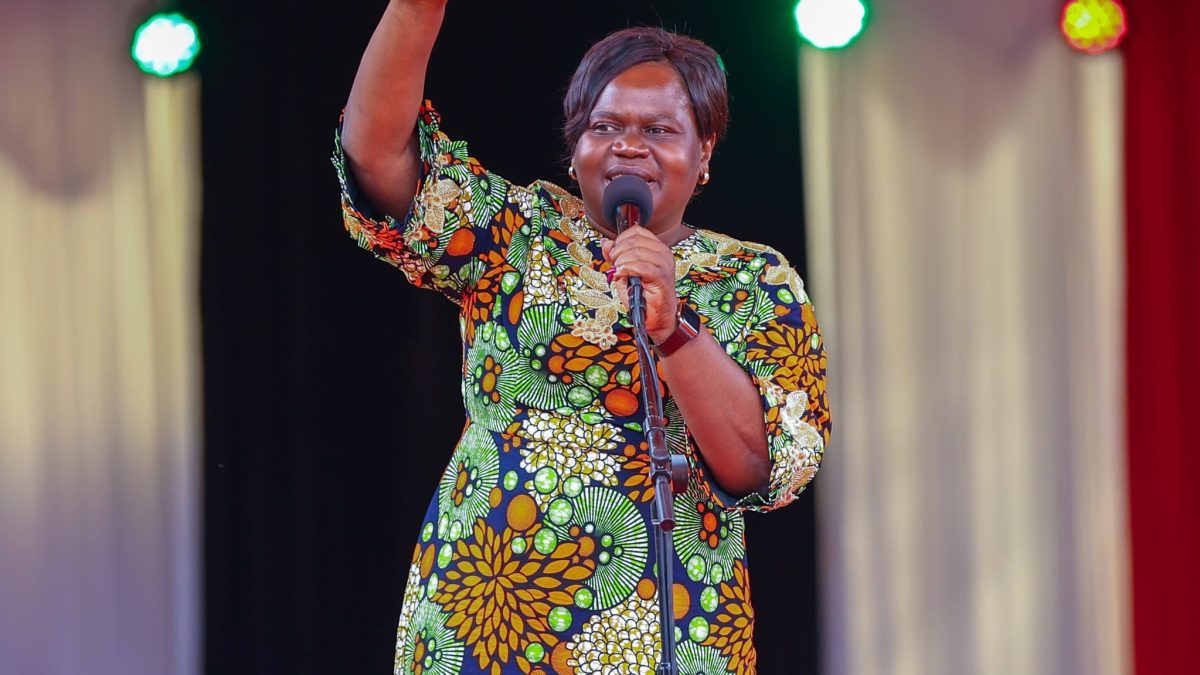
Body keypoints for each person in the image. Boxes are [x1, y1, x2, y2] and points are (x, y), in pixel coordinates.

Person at [334, 2, 830, 673]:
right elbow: (378, 156)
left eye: (659, 128)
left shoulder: (750, 280)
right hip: (484, 616)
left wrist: (674, 330)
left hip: (666, 621)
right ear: (577, 151)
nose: (629, 144)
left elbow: (759, 465)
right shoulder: (520, 236)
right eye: (606, 126)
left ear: (704, 150)